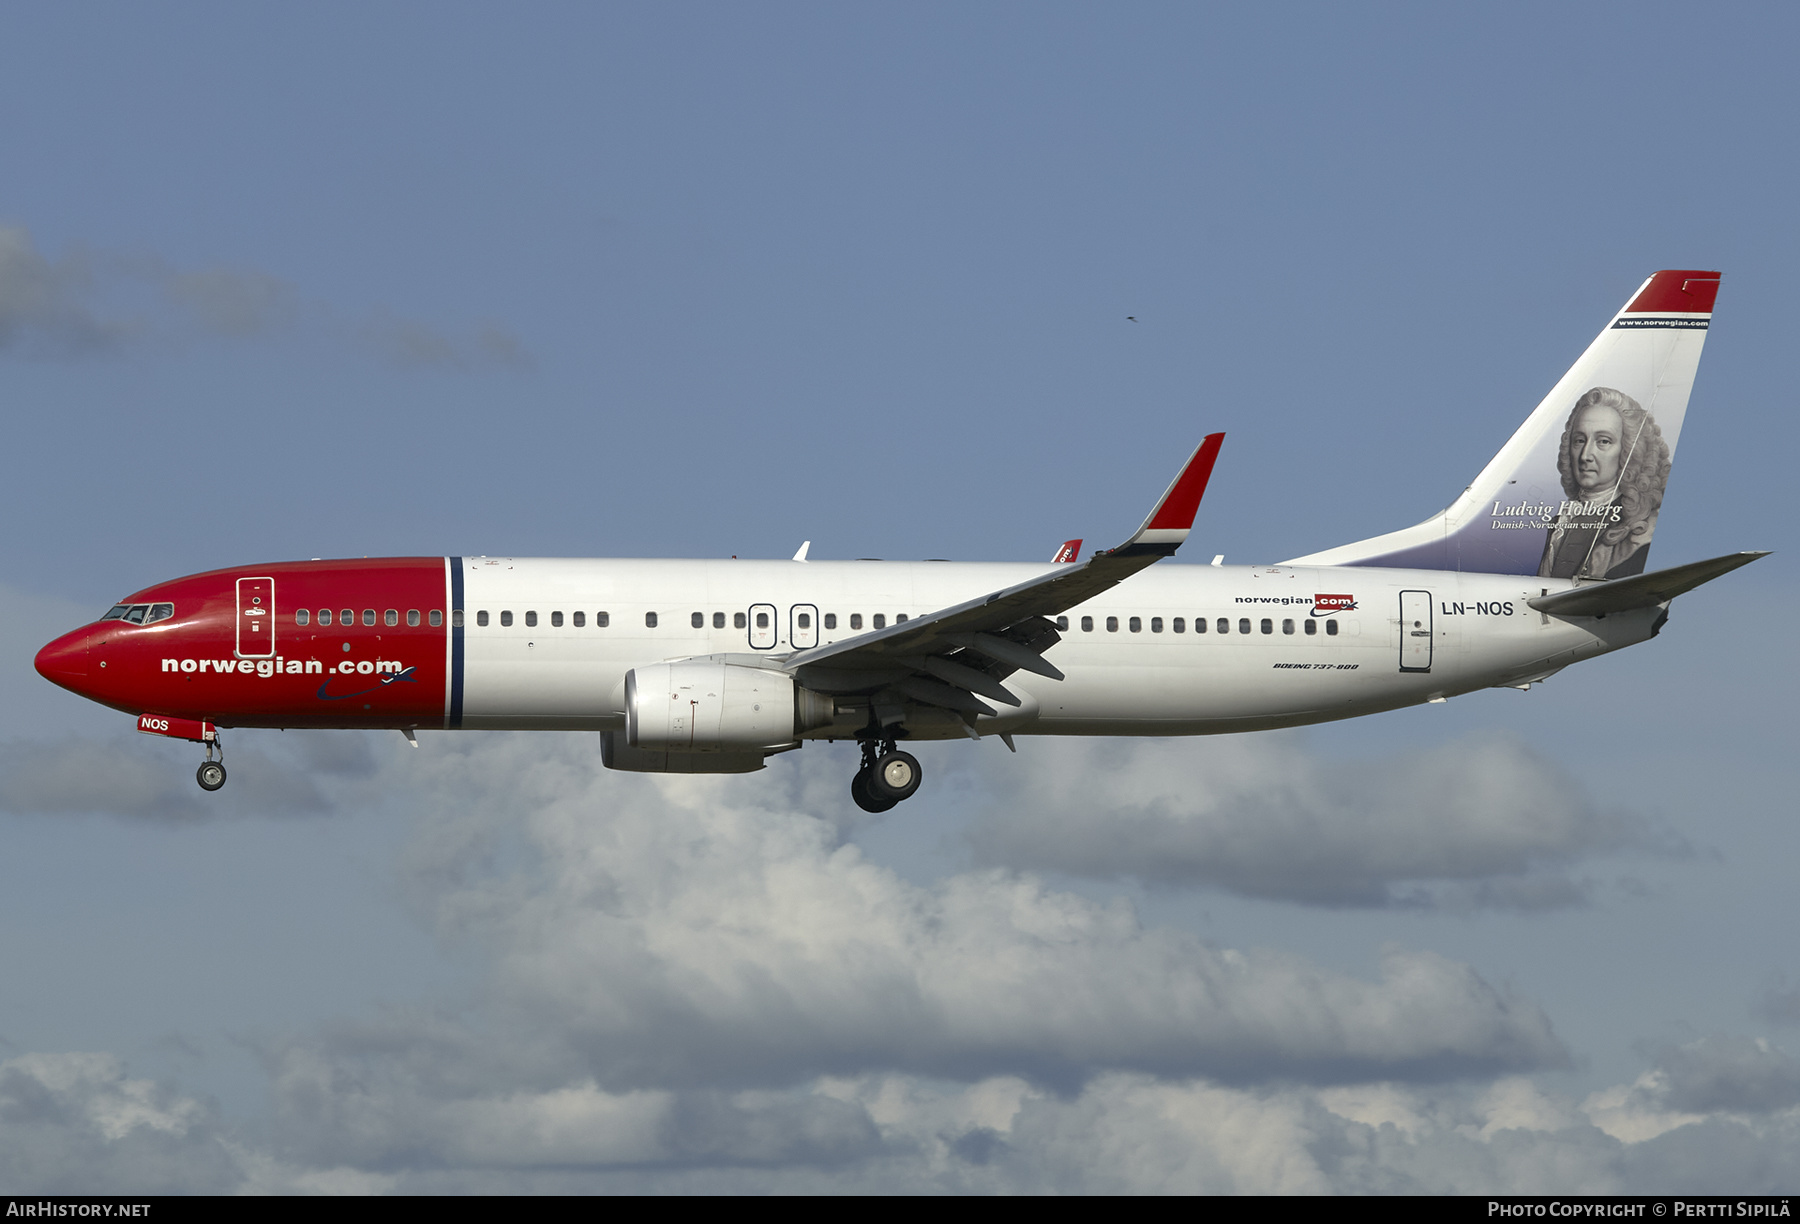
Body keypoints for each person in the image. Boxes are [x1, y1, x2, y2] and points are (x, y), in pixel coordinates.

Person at [1537, 387, 1671, 580]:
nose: (1585, 455)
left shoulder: (1639, 529)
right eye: (1579, 440)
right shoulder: (1562, 520)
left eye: (1604, 441)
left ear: (1629, 450)